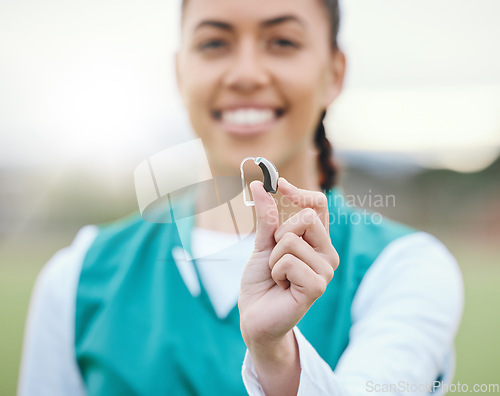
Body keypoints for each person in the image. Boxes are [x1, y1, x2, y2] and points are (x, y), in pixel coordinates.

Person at [18, 0, 464, 395]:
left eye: (283, 41)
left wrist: (277, 358)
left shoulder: (406, 269)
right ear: (180, 72)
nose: (246, 74)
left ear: (334, 73)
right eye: (214, 43)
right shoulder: (77, 277)